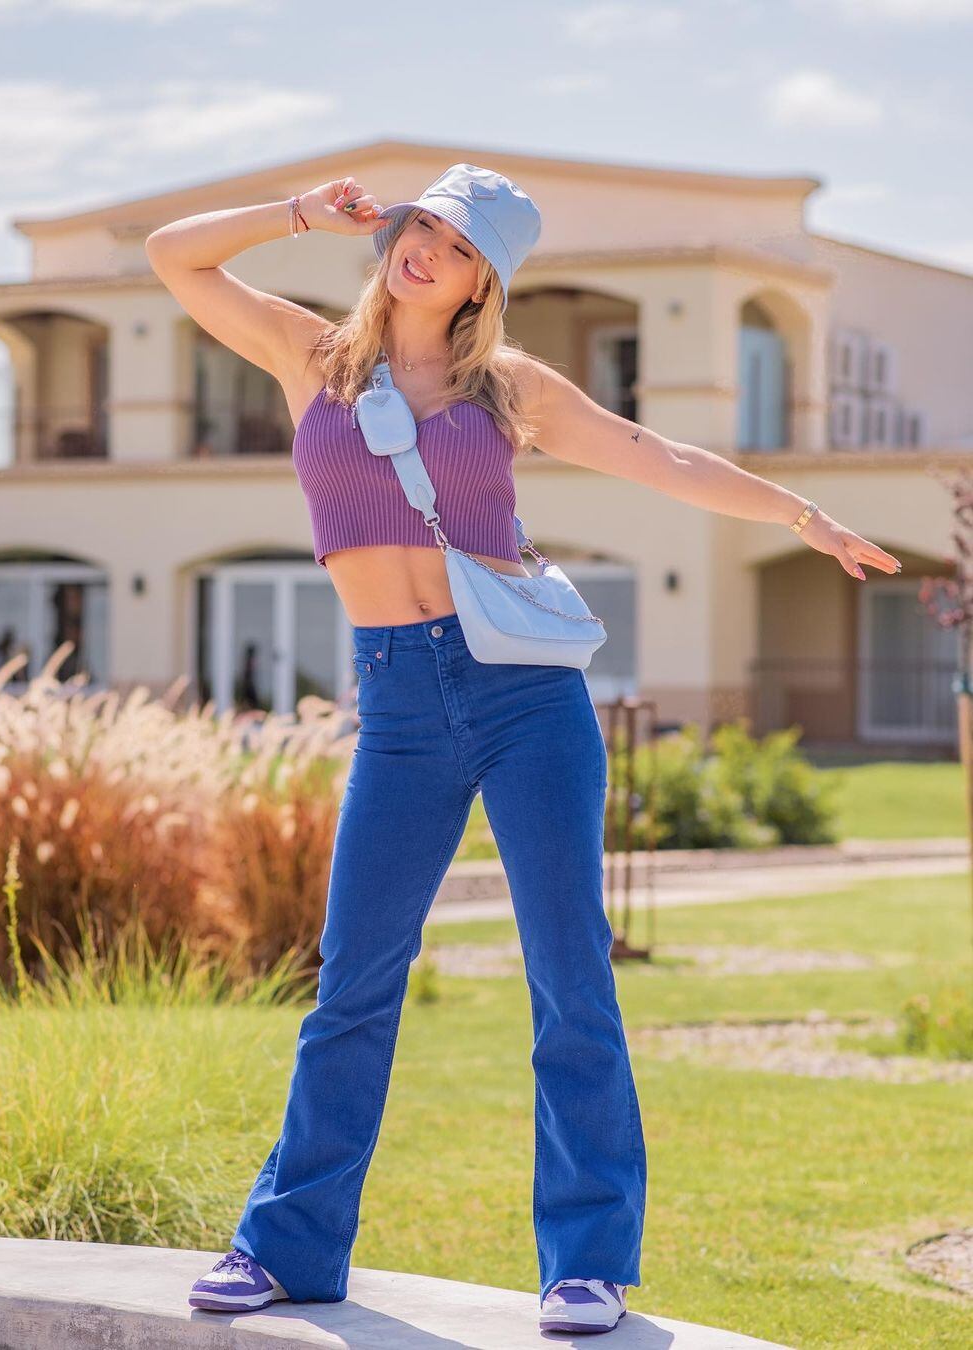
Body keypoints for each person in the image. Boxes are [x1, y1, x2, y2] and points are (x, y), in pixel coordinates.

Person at [146, 164, 901, 1336]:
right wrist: (297, 212)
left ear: (481, 280)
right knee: (351, 986)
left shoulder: (507, 390)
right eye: (419, 226)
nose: (422, 249)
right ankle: (286, 1245)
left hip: (524, 699)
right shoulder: (313, 360)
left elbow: (666, 459)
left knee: (570, 980)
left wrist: (799, 514)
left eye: (453, 243)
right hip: (397, 703)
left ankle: (585, 1264)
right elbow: (173, 255)